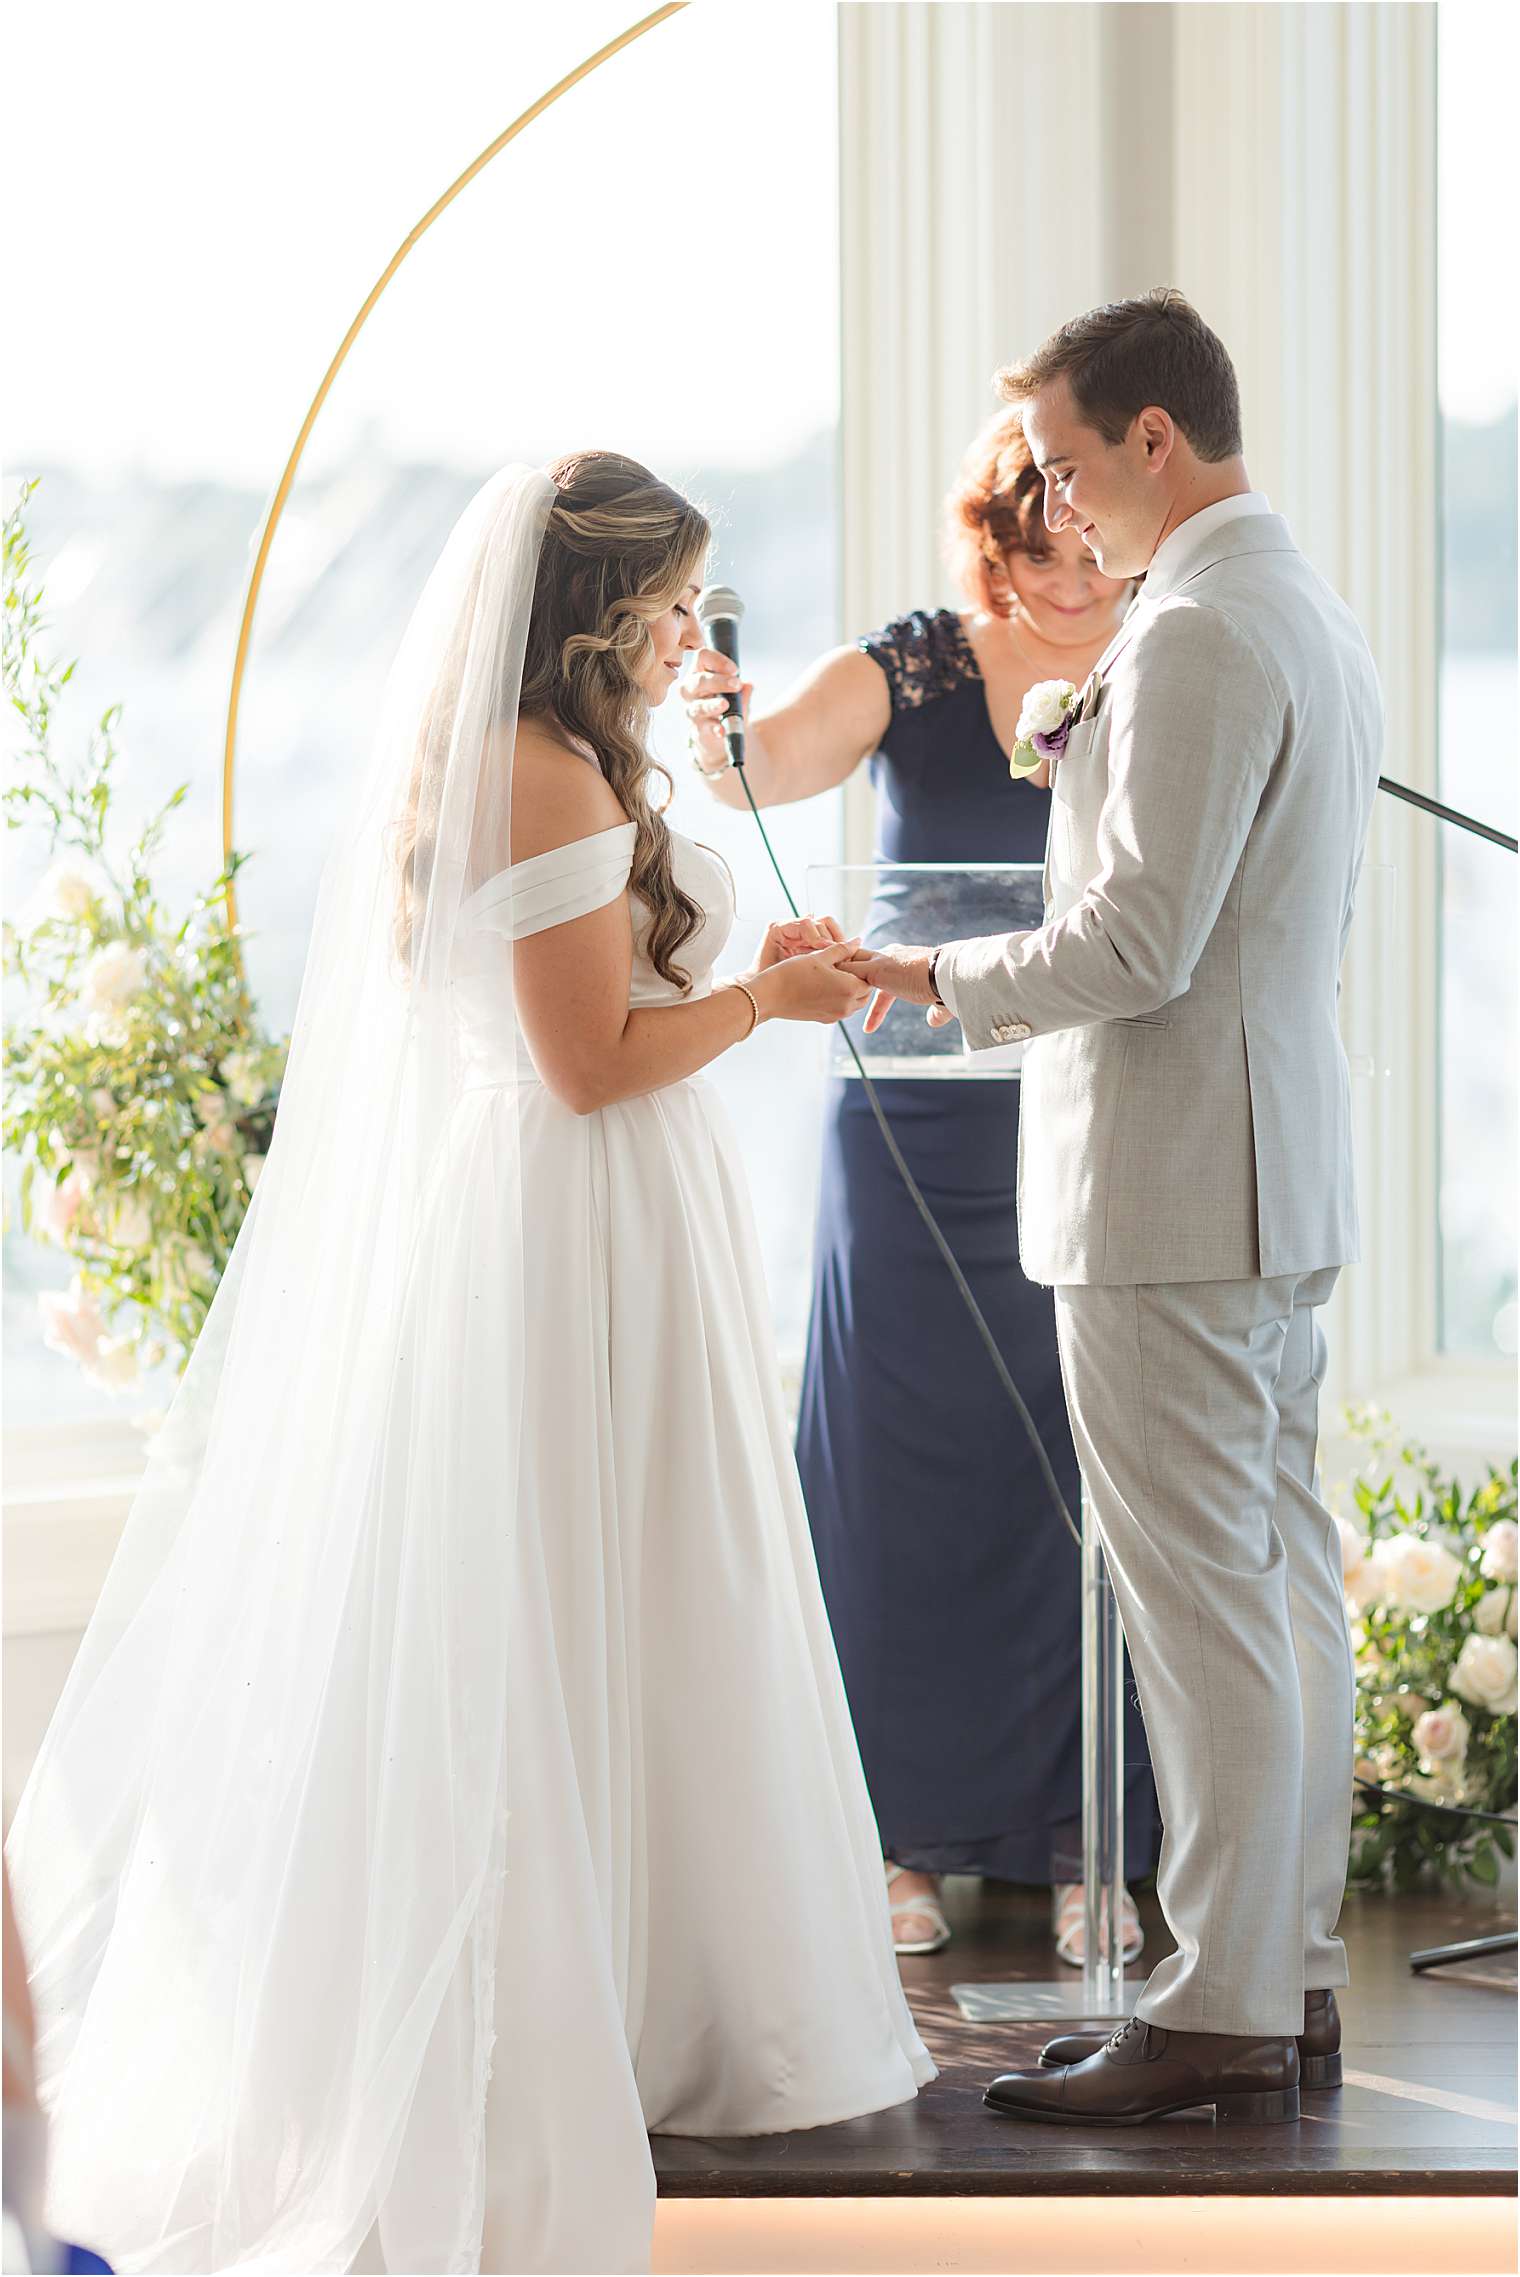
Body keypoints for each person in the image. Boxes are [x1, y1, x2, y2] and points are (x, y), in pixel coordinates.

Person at [5, 455, 933, 2276]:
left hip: (584, 1213)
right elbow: (588, 1059)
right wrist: (770, 1002)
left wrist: (752, 969)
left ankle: (651, 1974)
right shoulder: (542, 765)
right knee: (571, 1588)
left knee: (641, 1588)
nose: (689, 634)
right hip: (568, 1224)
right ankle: (580, 2003)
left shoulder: (553, 760)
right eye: (670, 604)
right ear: (595, 613)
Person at [852, 289, 1381, 2125]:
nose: (1061, 508)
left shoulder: (1202, 629)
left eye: (1073, 467)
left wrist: (929, 981)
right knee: (1281, 1583)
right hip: (1268, 1168)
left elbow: (1142, 940)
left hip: (1171, 1184)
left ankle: (1218, 1995)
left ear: (1157, 438)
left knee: (1203, 1603)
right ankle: (1285, 1967)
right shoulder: (1299, 604)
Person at [682, 410, 1158, 1963]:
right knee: (892, 1474)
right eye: (1040, 557)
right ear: (993, 540)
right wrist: (722, 726)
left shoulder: (1165, 657)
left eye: (1091, 556)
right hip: (907, 1131)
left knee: (1079, 1479)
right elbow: (770, 762)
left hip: (1081, 1116)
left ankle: (1094, 1831)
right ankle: (894, 1833)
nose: (1072, 587)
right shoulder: (920, 664)